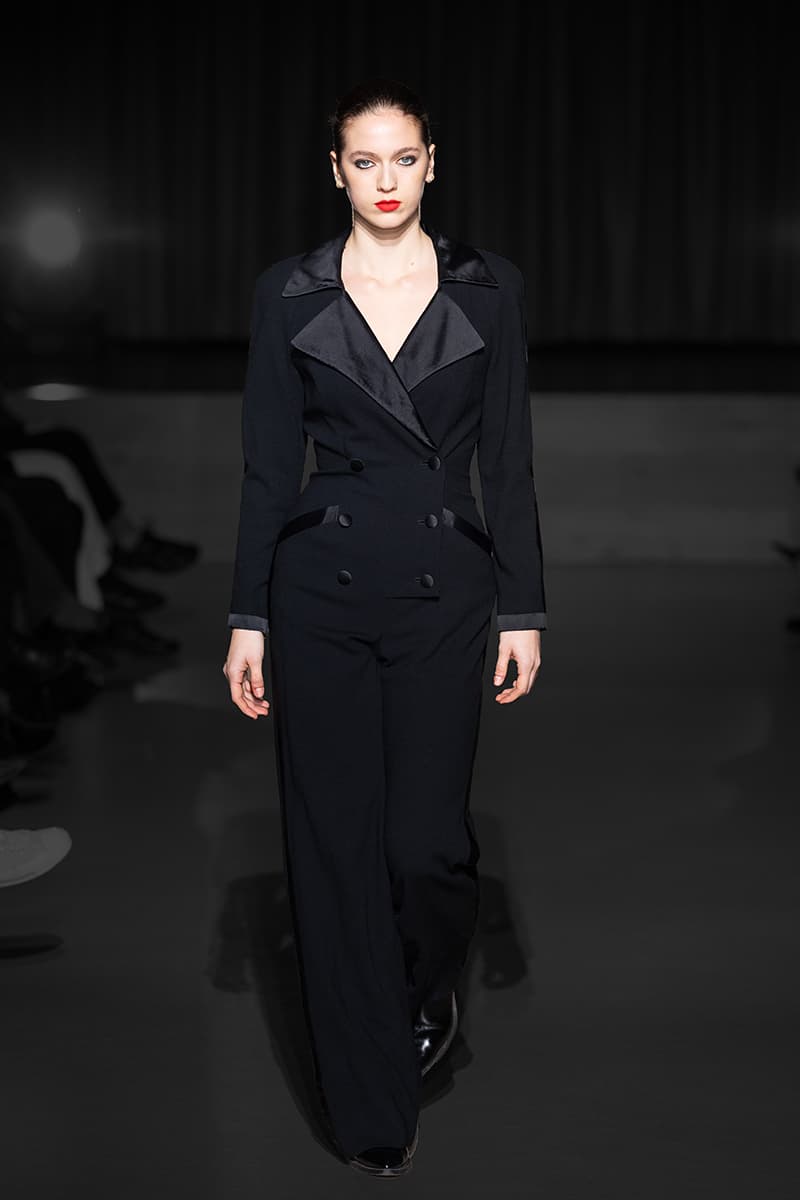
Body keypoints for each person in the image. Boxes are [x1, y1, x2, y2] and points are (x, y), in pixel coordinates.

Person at [222, 78, 547, 1178]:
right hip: (319, 585)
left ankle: (420, 986)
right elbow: (268, 467)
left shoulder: (489, 289)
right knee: (331, 846)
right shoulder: (288, 294)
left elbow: (508, 458)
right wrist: (248, 616)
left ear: (431, 162)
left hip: (446, 588)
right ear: (336, 172)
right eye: (364, 161)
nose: (386, 180)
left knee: (424, 843)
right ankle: (368, 1102)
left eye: (403, 158)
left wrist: (523, 605)